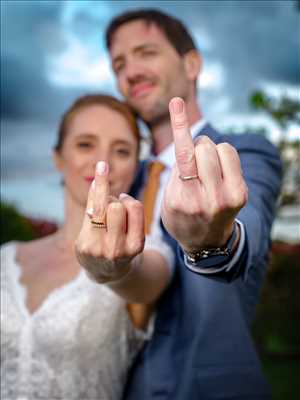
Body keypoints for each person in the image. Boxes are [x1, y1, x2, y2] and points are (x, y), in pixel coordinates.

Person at [76, 9, 283, 399]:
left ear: (192, 63)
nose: (130, 71)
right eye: (119, 63)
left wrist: (213, 239)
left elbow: (247, 228)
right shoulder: (122, 179)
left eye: (146, 52)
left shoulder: (245, 152)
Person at [0, 94, 174, 399]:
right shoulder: (6, 257)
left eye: (122, 151)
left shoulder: (147, 251)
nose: (102, 161)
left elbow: (143, 280)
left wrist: (116, 269)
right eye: (85, 144)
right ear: (58, 157)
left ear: (135, 165)